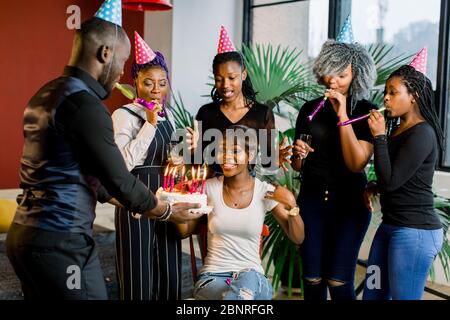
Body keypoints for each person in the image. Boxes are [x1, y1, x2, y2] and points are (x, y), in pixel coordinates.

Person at [5, 4, 199, 300]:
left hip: (25, 237)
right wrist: (167, 211)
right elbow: (119, 178)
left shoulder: (46, 94)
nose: (122, 71)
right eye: (122, 61)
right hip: (63, 242)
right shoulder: (87, 106)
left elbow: (94, 181)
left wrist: (137, 204)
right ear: (105, 54)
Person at [291, 39, 377, 300]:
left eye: (342, 74)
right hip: (312, 201)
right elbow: (297, 165)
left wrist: (342, 115)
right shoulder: (309, 109)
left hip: (350, 205)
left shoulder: (366, 112)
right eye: (330, 71)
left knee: (338, 282)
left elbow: (356, 163)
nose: (333, 80)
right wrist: (298, 154)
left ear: (356, 75)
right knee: (313, 280)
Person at [177, 125, 304, 300]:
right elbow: (184, 231)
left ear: (250, 155)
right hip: (214, 278)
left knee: (247, 281)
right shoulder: (208, 188)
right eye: (222, 150)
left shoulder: (264, 191)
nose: (226, 156)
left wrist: (292, 205)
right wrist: (175, 203)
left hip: (252, 277)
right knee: (243, 296)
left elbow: (298, 237)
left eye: (235, 151)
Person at [363, 64, 444, 300]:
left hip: (414, 232)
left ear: (413, 96)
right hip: (389, 227)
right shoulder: (397, 130)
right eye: (385, 92)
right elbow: (399, 178)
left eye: (393, 92)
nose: (386, 98)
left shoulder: (423, 133)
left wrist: (378, 136)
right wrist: (372, 187)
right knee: (373, 293)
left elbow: (392, 182)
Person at [111, 32, 182, 300]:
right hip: (134, 198)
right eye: (148, 83)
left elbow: (175, 159)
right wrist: (149, 124)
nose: (156, 89)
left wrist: (186, 148)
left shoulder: (170, 115)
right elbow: (122, 164)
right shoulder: (123, 116)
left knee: (169, 272)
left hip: (167, 198)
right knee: (136, 274)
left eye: (162, 83)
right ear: (135, 83)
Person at [187, 26, 291, 174]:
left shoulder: (262, 113)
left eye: (231, 77)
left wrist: (276, 161)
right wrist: (192, 152)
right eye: (219, 79)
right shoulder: (206, 113)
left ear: (243, 75)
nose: (225, 85)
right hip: (213, 190)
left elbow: (268, 164)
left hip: (247, 192)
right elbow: (195, 164)